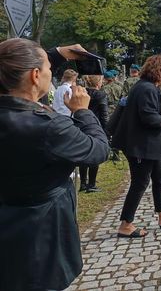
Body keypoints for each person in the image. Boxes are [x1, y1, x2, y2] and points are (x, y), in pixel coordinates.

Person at [0, 39, 110, 290]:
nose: (52, 72)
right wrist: (83, 111)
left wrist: (58, 53)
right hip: (41, 233)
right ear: (35, 75)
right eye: (49, 67)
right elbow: (99, 150)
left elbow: (11, 65)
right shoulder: (50, 127)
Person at [114, 55, 161, 237]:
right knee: (140, 182)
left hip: (152, 146)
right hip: (142, 145)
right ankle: (125, 224)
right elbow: (148, 117)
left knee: (160, 176)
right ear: (158, 71)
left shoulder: (148, 87)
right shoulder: (145, 88)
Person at [80, 74, 110, 193]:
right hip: (95, 125)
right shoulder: (100, 94)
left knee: (83, 153)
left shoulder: (83, 92)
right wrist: (107, 131)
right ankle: (91, 184)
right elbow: (104, 114)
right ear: (98, 83)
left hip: (82, 123)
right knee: (94, 153)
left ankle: (83, 183)